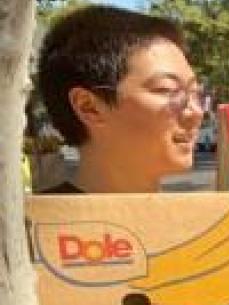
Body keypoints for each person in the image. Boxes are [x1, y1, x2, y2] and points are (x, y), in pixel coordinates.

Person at [35, 4, 203, 194]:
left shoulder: (209, 219)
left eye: (194, 92)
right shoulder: (30, 222)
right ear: (89, 107)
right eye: (167, 89)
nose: (195, 112)